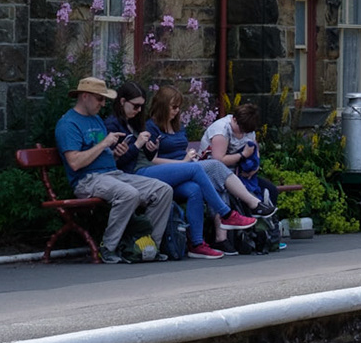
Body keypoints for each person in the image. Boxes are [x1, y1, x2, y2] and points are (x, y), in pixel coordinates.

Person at [105, 81, 254, 259]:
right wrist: (140, 146)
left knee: (194, 189)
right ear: (122, 102)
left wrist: (150, 148)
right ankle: (227, 213)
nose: (139, 110)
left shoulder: (137, 123)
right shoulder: (119, 125)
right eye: (136, 106)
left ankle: (197, 244)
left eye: (141, 107)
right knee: (202, 167)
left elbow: (148, 154)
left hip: (158, 170)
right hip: (139, 172)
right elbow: (123, 160)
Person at [53, 76, 174, 264]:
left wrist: (116, 154)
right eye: (100, 98)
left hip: (112, 174)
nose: (103, 104)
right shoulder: (68, 124)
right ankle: (108, 248)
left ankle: (147, 247)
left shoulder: (96, 120)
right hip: (87, 179)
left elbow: (103, 157)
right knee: (128, 193)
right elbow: (75, 162)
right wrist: (104, 144)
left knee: (163, 190)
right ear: (85, 96)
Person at [201, 102, 279, 213]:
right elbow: (218, 161)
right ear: (234, 119)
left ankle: (266, 218)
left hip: (239, 173)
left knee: (271, 190)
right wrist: (243, 155)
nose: (243, 133)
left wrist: (254, 168)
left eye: (246, 131)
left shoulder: (247, 128)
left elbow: (255, 149)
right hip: (215, 174)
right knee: (239, 198)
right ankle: (253, 212)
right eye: (241, 129)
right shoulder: (221, 130)